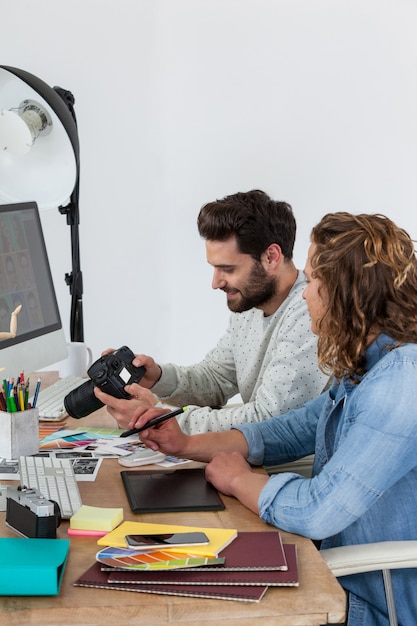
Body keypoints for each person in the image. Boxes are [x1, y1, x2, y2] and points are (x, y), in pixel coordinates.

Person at [115, 212, 417, 625]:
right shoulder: (366, 366)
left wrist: (241, 480)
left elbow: (318, 512)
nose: (306, 294)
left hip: (369, 598)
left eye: (314, 282)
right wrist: (184, 443)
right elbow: (293, 429)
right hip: (331, 567)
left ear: (347, 295)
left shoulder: (399, 385)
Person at [97, 190, 328, 434]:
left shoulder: (309, 313)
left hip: (291, 466)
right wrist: (157, 378)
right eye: (214, 268)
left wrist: (159, 419)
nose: (215, 282)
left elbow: (268, 419)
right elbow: (217, 379)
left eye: (227, 268)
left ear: (271, 257)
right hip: (255, 459)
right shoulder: (251, 303)